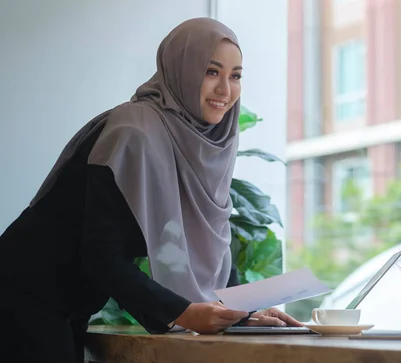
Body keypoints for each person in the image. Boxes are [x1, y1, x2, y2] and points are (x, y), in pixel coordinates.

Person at [0, 17, 301, 363]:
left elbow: (210, 239)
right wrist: (184, 312)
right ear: (181, 69)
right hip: (24, 292)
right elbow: (101, 255)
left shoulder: (203, 144)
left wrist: (244, 313)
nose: (225, 90)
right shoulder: (133, 132)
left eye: (235, 76)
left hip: (72, 300)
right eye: (211, 71)